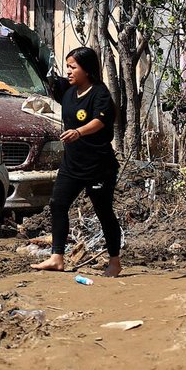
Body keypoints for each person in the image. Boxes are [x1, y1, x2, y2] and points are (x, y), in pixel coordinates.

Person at [31, 47, 123, 277]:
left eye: (74, 67)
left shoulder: (100, 94)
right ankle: (57, 257)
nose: (69, 72)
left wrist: (79, 132)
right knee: (58, 204)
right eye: (68, 67)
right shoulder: (68, 91)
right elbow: (45, 73)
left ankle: (114, 261)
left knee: (104, 212)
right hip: (72, 164)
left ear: (87, 70)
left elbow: (99, 122)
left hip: (98, 167)